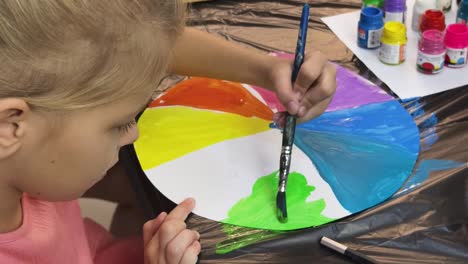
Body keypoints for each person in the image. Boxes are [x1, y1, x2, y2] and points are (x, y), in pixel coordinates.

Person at [0, 0, 336, 263]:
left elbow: (139, 46)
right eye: (120, 124)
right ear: (10, 126)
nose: (133, 135)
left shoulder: (31, 165)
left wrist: (268, 69)